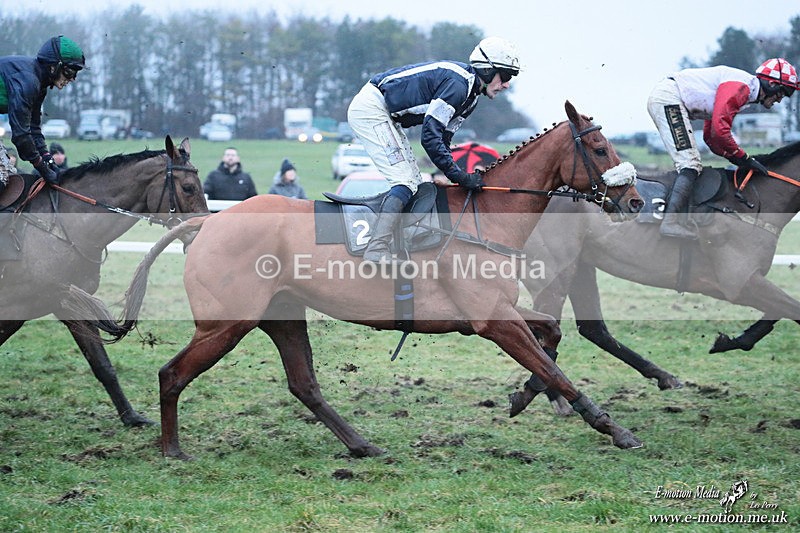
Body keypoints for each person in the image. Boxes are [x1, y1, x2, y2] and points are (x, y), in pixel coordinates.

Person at [347, 36, 520, 262]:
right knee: (405, 182)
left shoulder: (471, 99)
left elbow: (443, 140)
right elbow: (429, 137)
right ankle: (376, 248)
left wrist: (458, 175)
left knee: (415, 184)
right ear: (487, 71)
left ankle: (398, 241)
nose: (507, 84)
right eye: (505, 76)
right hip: (371, 109)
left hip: (386, 115)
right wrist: (459, 175)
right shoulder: (458, 87)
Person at [647, 58, 799, 239]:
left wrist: (738, 160)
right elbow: (720, 132)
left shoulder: (745, 92)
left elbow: (710, 138)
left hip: (668, 97)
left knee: (692, 164)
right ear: (773, 84)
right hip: (669, 98)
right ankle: (670, 222)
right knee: (689, 164)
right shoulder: (741, 88)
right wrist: (744, 158)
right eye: (784, 92)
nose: (781, 99)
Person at [0, 35, 86, 193]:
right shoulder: (29, 82)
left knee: (9, 178)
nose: (72, 78)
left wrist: (47, 158)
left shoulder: (39, 85)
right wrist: (41, 167)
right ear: (53, 67)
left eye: (75, 73)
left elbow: (33, 127)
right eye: (69, 71)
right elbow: (21, 135)